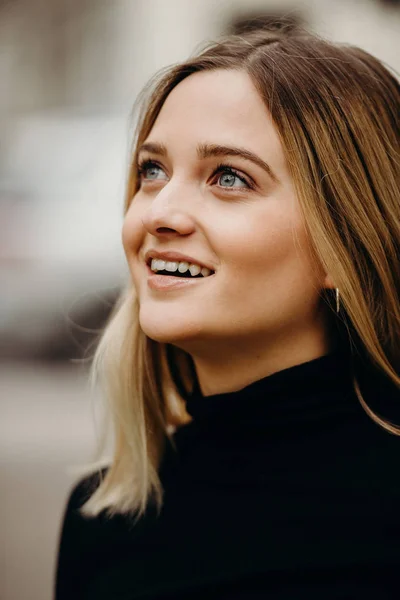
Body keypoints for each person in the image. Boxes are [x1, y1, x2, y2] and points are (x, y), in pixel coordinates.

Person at [54, 26, 400, 599]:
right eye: (152, 171)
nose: (159, 213)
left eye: (229, 177)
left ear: (346, 243)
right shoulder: (108, 516)